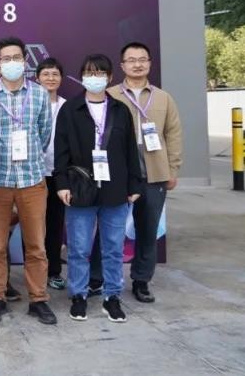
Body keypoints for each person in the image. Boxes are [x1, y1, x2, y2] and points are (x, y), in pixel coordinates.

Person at [55, 54, 143, 323]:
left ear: (110, 77)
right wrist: (62, 184)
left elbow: (130, 150)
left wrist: (134, 183)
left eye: (100, 73)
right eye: (89, 73)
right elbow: (61, 150)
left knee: (113, 247)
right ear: (82, 77)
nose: (95, 78)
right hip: (80, 187)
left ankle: (112, 297)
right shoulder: (70, 109)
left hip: (115, 188)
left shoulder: (120, 110)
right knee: (79, 248)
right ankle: (78, 295)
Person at [0, 37, 57, 325]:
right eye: (6, 59)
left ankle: (38, 299)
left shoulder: (39, 94)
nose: (11, 63)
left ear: (25, 61)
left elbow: (44, 134)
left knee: (36, 244)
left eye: (16, 58)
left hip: (32, 179)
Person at [107, 42, 183, 303]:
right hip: (119, 174)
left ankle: (141, 280)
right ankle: (102, 278)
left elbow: (173, 134)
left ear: (150, 63)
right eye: (131, 60)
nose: (137, 64)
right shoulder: (110, 95)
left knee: (147, 230)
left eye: (142, 59)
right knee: (110, 229)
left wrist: (173, 168)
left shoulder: (163, 98)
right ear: (122, 65)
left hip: (154, 173)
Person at [37, 57, 67, 291]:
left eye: (55, 74)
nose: (50, 78)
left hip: (58, 173)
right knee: (33, 226)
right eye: (46, 74)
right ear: (37, 78)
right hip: (34, 172)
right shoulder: (30, 103)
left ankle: (53, 271)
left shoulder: (68, 106)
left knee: (55, 225)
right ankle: (35, 272)